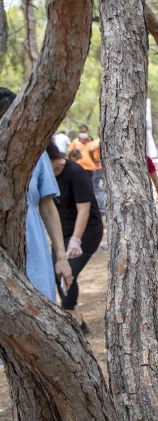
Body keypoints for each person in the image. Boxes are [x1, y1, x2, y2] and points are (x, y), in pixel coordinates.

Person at [0, 89, 72, 302]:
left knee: (39, 305)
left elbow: (47, 206)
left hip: (34, 249)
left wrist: (61, 255)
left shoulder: (35, 153)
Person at [46, 142, 104, 335]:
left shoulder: (75, 173)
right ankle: (78, 321)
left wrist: (76, 239)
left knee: (68, 272)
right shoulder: (45, 176)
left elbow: (84, 210)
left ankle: (72, 317)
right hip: (61, 233)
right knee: (57, 273)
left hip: (87, 231)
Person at [68, 124, 104, 216]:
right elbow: (70, 154)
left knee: (91, 189)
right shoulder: (76, 142)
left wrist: (96, 161)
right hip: (78, 169)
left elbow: (93, 152)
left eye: (84, 132)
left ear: (88, 132)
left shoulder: (93, 142)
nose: (82, 134)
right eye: (81, 132)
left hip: (91, 169)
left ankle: (92, 208)